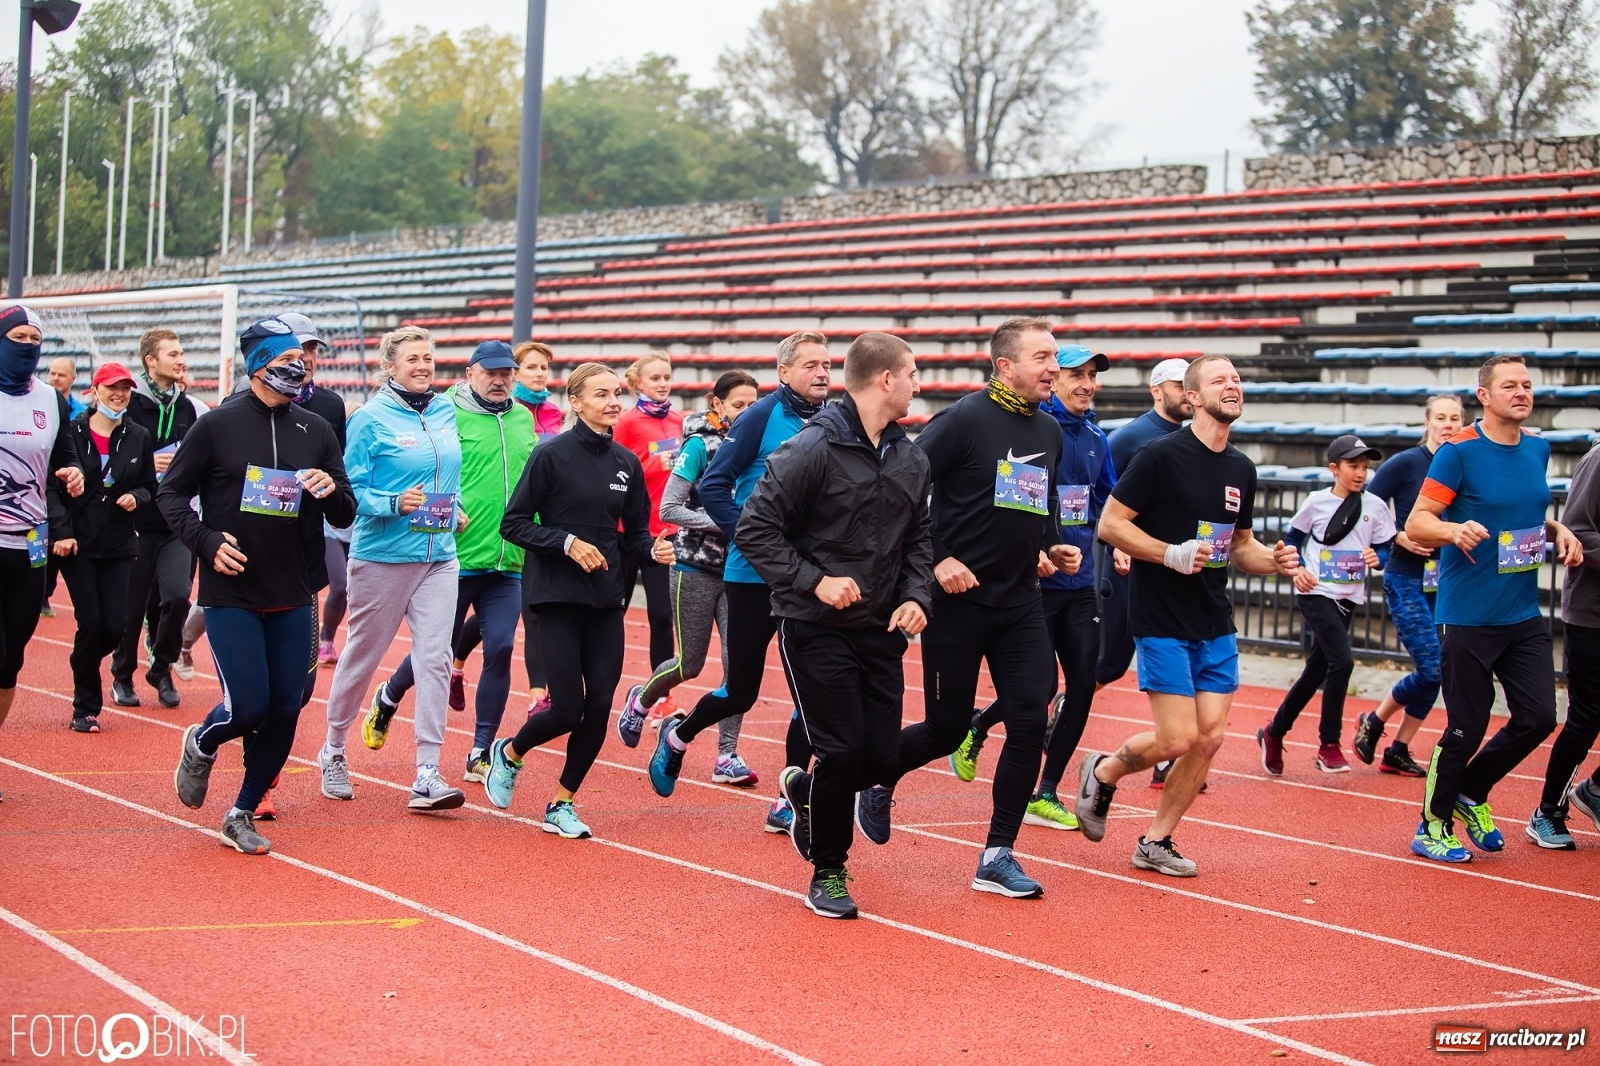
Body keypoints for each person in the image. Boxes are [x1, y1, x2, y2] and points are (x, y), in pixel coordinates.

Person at [854, 318, 1081, 899]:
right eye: (1042, 357)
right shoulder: (962, 420)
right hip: (957, 604)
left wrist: (1051, 544)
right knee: (946, 728)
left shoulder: (1049, 429)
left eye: (1054, 356)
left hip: (1020, 604)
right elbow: (898, 492)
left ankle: (997, 855)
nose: (1053, 368)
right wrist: (938, 560)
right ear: (1005, 366)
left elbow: (1039, 502)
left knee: (1030, 720)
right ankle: (874, 780)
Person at [1079, 354, 1300, 877]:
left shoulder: (1241, 468)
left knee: (1209, 739)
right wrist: (1168, 553)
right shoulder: (1159, 456)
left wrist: (1274, 561)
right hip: (1160, 616)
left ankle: (1156, 840)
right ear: (1193, 397)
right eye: (1220, 380)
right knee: (1177, 739)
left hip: (1213, 618)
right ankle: (1104, 770)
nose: (1233, 385)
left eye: (1237, 378)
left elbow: (1240, 546)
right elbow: (1111, 525)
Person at [740, 333, 933, 918]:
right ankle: (828, 870)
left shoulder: (911, 457)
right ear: (885, 379)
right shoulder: (812, 447)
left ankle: (805, 789)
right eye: (912, 373)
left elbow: (919, 539)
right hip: (815, 624)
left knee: (881, 759)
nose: (918, 384)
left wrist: (917, 596)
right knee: (842, 751)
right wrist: (814, 581)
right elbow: (754, 530)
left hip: (881, 630)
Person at [165, 317, 354, 854]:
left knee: (287, 707)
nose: (299, 368)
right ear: (258, 366)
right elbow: (170, 495)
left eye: (302, 360)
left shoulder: (315, 429)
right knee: (247, 707)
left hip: (293, 589)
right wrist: (206, 542)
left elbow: (346, 510)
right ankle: (203, 741)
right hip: (233, 589)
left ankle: (242, 811)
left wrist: (329, 490)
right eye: (286, 361)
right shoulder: (216, 425)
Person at [640, 332, 832, 834]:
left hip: (807, 577)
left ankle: (788, 799)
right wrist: (746, 532)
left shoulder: (834, 420)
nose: (822, 373)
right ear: (784, 372)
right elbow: (714, 484)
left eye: (827, 364)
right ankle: (678, 736)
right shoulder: (759, 417)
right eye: (810, 364)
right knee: (741, 691)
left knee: (809, 693)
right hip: (750, 573)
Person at [483, 363, 674, 836]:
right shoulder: (551, 455)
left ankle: (562, 803)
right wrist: (566, 543)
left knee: (601, 705)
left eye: (616, 393)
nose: (613, 402)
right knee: (568, 709)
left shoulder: (625, 462)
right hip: (556, 595)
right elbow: (514, 524)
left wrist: (652, 549)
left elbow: (635, 535)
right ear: (576, 401)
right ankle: (510, 753)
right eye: (601, 394)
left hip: (606, 598)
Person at [1405, 354, 1582, 862]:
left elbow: (1521, 513)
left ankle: (1471, 791)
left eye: (1527, 384)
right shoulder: (1458, 452)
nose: (1522, 393)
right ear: (1484, 396)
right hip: (1468, 615)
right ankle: (1431, 825)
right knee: (1466, 727)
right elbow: (1418, 522)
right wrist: (1451, 529)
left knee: (1538, 718)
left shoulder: (1538, 448)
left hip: (1522, 614)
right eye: (1510, 386)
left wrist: (1558, 528)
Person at [949, 345, 1116, 834]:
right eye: (1076, 375)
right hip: (1035, 583)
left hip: (1081, 581)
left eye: (1092, 376)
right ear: (1053, 380)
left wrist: (1118, 543)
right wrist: (1038, 548)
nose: (1086, 384)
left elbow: (1110, 500)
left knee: (1082, 685)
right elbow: (1015, 500)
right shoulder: (1033, 429)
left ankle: (1046, 792)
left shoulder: (1097, 438)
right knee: (1040, 688)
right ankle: (978, 726)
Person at [317, 326, 470, 813]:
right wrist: (392, 502)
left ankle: (427, 772)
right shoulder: (369, 418)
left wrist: (455, 507)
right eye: (413, 359)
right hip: (383, 556)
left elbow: (447, 474)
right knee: (363, 656)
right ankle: (334, 750)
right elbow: (348, 491)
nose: (423, 366)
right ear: (390, 367)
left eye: (428, 357)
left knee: (435, 659)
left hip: (439, 556)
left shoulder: (444, 409)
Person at [375, 341, 534, 786]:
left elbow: (533, 482)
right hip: (454, 557)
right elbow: (424, 472)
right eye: (491, 372)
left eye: (507, 373)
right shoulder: (443, 411)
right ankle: (389, 695)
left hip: (507, 559)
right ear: (470, 374)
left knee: (501, 647)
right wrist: (446, 511)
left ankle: (480, 751)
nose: (500, 380)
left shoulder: (523, 418)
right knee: (436, 651)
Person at [618, 370, 762, 786]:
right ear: (717, 405)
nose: (746, 412)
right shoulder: (700, 444)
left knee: (738, 668)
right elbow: (669, 508)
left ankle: (727, 755)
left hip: (740, 571)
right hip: (695, 567)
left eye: (753, 405)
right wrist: (725, 522)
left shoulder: (762, 446)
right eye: (738, 405)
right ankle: (641, 700)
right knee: (691, 663)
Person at [1258, 435, 1396, 775]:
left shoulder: (1375, 506)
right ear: (1334, 468)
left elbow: (1386, 548)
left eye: (1365, 467)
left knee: (1317, 670)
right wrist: (1299, 569)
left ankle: (1273, 732)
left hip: (1349, 596)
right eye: (1353, 466)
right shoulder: (1316, 502)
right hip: (1315, 591)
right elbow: (1292, 539)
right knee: (1342, 662)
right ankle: (1328, 745)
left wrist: (1377, 558)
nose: (1361, 473)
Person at [0, 304, 87, 801]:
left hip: (31, 547)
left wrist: (73, 475)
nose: (29, 346)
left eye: (36, 339)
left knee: (9, 662)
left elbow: (65, 459)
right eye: (19, 337)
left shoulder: (51, 402)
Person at [1353, 395, 1465, 775]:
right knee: (1432, 668)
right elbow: (1365, 507)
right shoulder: (1406, 463)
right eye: (1441, 418)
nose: (1447, 424)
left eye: (1455, 418)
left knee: (1439, 669)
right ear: (1427, 422)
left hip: (1446, 581)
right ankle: (1375, 720)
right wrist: (1397, 536)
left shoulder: (1463, 463)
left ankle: (1397, 749)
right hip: (1406, 577)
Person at [1097, 358, 1194, 788]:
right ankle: (1059, 708)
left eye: (1190, 385)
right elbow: (1103, 498)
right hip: (1128, 567)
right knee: (1110, 664)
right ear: (1157, 390)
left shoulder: (1195, 440)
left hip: (1177, 572)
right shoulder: (1129, 438)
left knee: (1182, 661)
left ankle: (1168, 757)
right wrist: (1118, 545)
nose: (1187, 393)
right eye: (1178, 385)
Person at [50, 362, 157, 733]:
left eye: (125, 388)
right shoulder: (71, 432)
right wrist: (62, 531)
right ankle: (85, 707)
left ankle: (83, 661)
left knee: (114, 627)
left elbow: (150, 485)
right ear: (95, 391)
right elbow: (52, 487)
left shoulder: (139, 436)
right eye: (112, 387)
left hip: (119, 542)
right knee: (91, 620)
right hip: (77, 542)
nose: (119, 394)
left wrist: (137, 497)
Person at [113, 328, 204, 710]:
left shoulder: (190, 407)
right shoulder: (129, 404)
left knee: (179, 596)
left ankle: (161, 666)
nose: (181, 359)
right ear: (151, 361)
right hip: (134, 521)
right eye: (173, 354)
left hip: (176, 521)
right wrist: (146, 463)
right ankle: (121, 675)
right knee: (131, 608)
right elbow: (111, 459)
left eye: (181, 353)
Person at [1533, 438, 1600, 848]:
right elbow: (1578, 530)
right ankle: (1548, 811)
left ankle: (1594, 791)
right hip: (1592, 614)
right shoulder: (1599, 459)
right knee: (1587, 717)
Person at [614, 351, 684, 674]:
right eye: (655, 378)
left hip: (664, 531)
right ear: (638, 383)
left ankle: (659, 691)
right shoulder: (625, 422)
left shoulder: (679, 421)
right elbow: (614, 471)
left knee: (662, 615)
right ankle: (601, 679)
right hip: (627, 531)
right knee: (615, 609)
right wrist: (655, 464)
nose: (663, 383)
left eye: (667, 377)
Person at [513, 340, 564, 436]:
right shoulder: (506, 410)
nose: (540, 373)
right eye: (531, 367)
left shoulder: (554, 411)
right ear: (515, 374)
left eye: (544, 368)